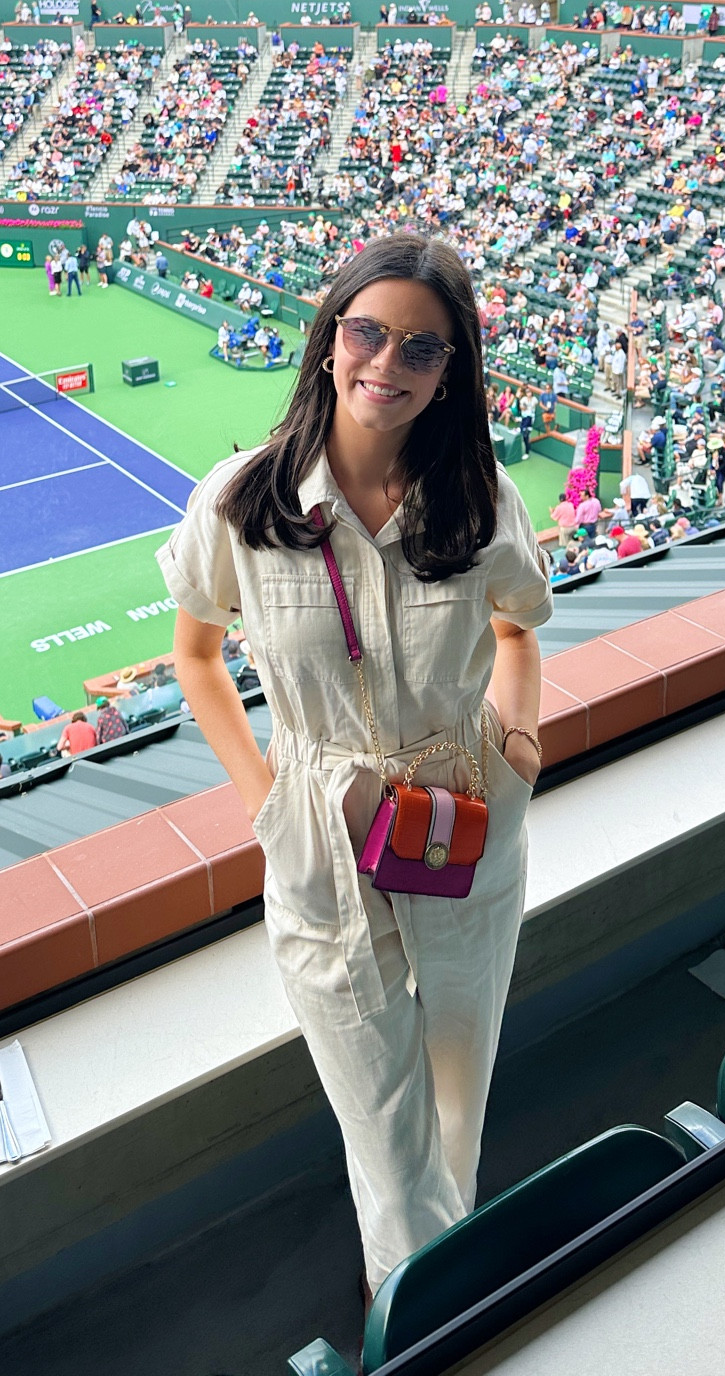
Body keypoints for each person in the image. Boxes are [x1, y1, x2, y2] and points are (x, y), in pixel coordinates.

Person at [160, 230, 551, 1296]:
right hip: (321, 835)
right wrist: (268, 799)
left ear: (450, 371)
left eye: (420, 348)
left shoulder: (482, 498)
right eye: (368, 331)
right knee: (383, 1125)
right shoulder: (241, 502)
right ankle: (434, 1311)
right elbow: (196, 654)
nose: (386, 362)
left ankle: (428, 1306)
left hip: (468, 817)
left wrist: (519, 741)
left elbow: (520, 629)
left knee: (458, 1095)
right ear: (330, 338)